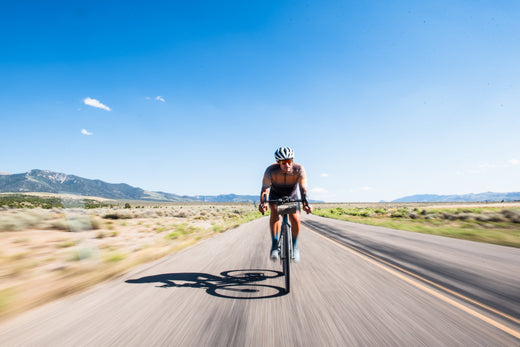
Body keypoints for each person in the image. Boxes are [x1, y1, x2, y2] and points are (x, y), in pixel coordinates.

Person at [259, 146, 313, 263]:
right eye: (283, 162)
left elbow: (303, 188)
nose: (287, 165)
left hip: (292, 196)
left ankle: (294, 246)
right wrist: (263, 203)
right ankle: (274, 245)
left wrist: (306, 203)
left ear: (292, 160)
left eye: (289, 161)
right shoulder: (270, 170)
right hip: (275, 195)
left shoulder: (299, 169)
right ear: (278, 162)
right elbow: (265, 188)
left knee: (295, 219)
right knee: (274, 213)